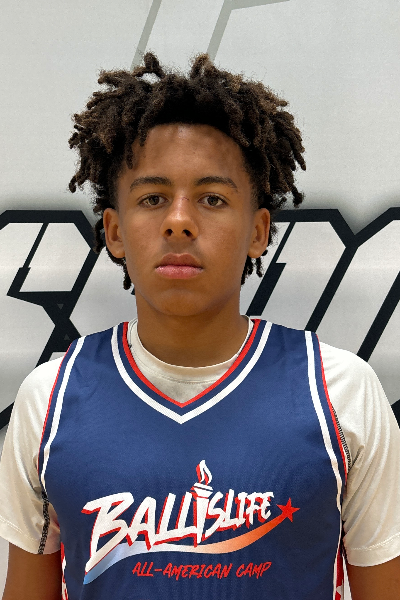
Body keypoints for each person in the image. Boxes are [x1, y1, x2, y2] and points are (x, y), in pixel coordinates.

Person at [0, 53, 399, 600]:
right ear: (114, 232)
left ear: (258, 232)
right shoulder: (50, 400)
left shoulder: (341, 393)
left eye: (212, 199)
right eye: (153, 198)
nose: (179, 221)